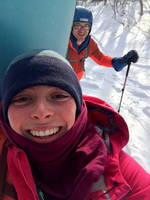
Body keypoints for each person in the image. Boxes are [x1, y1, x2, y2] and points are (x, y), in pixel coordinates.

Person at [0, 49, 149, 200]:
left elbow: (99, 57)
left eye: (58, 96)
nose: (41, 112)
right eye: (22, 99)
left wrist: (118, 62)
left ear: (78, 107)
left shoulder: (125, 178)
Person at [66, 6, 139, 80]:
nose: (82, 30)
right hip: (59, 82)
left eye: (86, 26)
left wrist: (122, 61)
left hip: (75, 83)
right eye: (77, 26)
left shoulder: (89, 44)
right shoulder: (63, 42)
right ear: (71, 26)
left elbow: (101, 59)